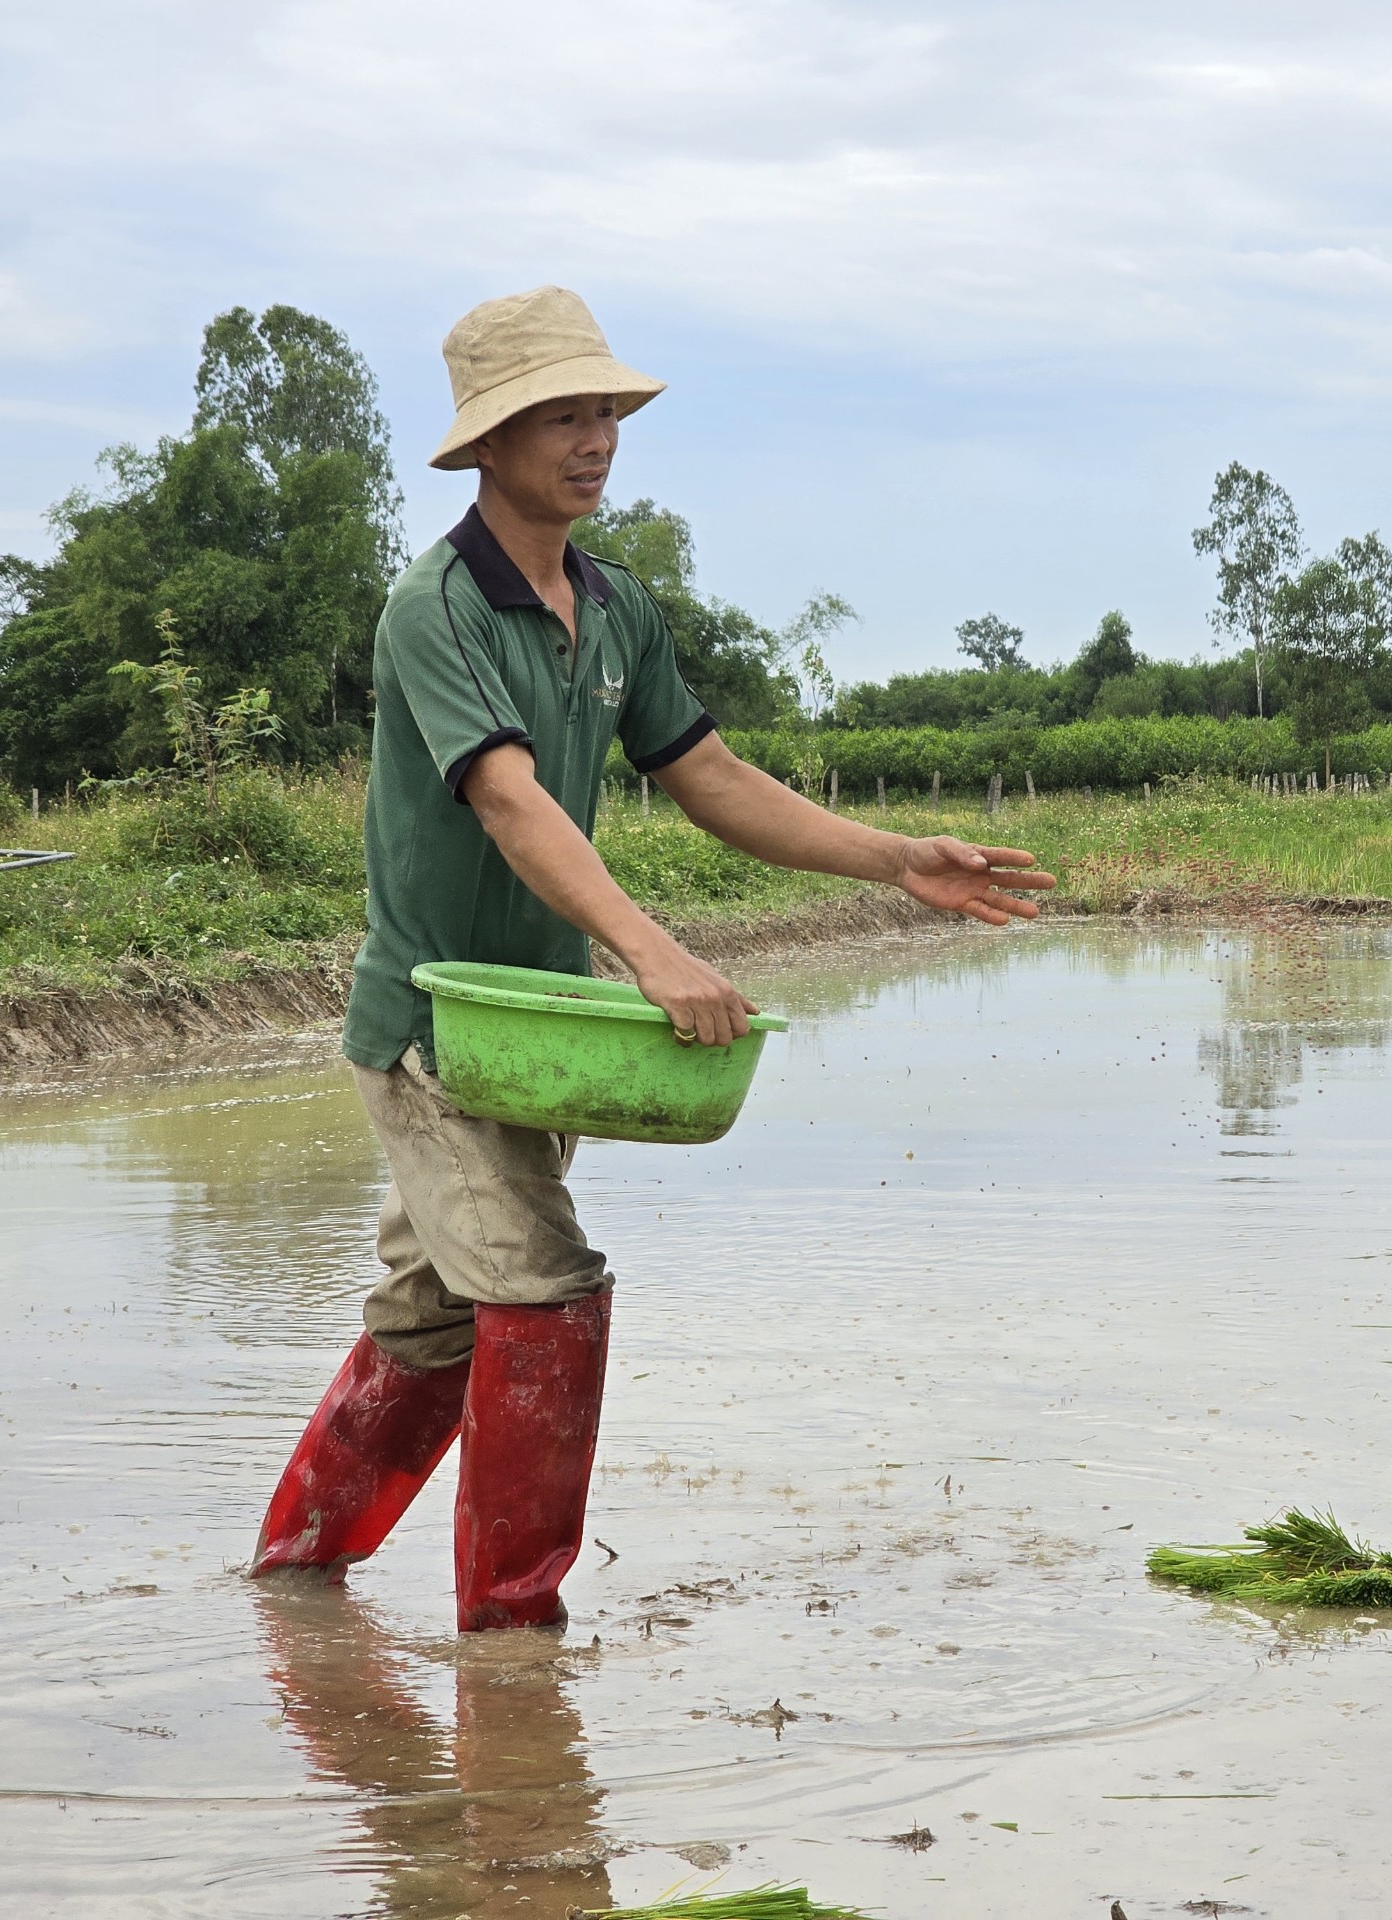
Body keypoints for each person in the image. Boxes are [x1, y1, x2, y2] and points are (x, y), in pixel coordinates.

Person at [251, 286, 1053, 1630]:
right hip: (438, 1032)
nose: (595, 438)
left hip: (538, 1037)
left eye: (605, 411)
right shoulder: (434, 608)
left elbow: (713, 776)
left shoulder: (615, 610)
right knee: (548, 1295)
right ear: (490, 445)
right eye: (560, 416)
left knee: (437, 1329)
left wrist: (894, 856)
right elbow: (506, 800)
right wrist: (651, 952)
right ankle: (516, 1640)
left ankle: (293, 1586)